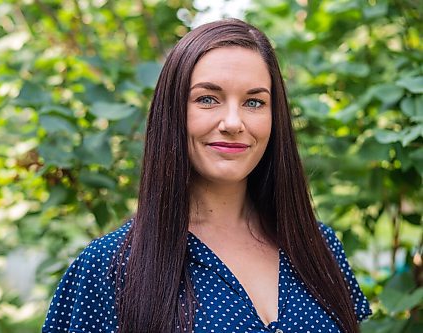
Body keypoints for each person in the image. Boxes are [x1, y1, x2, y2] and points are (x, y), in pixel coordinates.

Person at [42, 19, 371, 333]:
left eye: (254, 102)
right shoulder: (109, 267)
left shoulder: (319, 247)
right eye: (208, 99)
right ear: (173, 113)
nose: (232, 122)